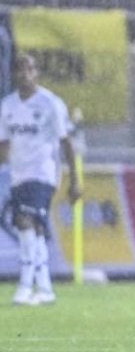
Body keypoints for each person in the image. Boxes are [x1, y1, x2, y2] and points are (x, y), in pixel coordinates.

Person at [0, 54, 81, 306]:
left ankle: (25, 285)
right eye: (20, 69)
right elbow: (4, 145)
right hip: (18, 175)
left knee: (24, 220)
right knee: (33, 229)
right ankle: (45, 288)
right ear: (14, 74)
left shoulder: (50, 104)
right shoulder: (7, 106)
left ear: (37, 73)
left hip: (44, 173)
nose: (25, 74)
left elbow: (65, 142)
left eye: (30, 69)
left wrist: (75, 180)